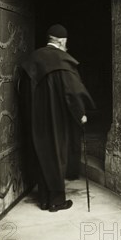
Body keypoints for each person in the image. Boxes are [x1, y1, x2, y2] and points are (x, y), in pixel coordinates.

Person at [21, 24, 95, 212]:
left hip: (36, 118)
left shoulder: (33, 59)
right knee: (57, 155)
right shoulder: (63, 62)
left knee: (42, 154)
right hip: (58, 119)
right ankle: (56, 201)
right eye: (66, 43)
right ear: (61, 42)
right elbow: (73, 92)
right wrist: (81, 114)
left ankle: (44, 199)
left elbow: (22, 90)